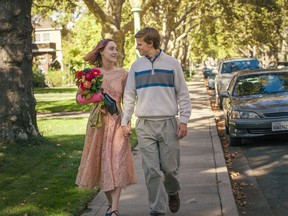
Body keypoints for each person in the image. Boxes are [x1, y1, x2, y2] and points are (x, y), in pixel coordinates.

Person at [121, 27, 192, 216]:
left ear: (150, 43)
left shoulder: (172, 64)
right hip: (144, 124)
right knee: (151, 170)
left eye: (139, 44)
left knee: (169, 168)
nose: (137, 48)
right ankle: (157, 210)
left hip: (168, 123)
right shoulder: (136, 66)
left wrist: (183, 121)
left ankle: (173, 191)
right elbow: (129, 96)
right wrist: (125, 121)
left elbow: (183, 94)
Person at [75, 39, 136, 216]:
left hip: (117, 122)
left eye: (116, 49)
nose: (115, 52)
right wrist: (96, 98)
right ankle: (111, 206)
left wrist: (127, 123)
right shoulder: (91, 74)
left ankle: (115, 209)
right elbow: (78, 98)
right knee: (103, 165)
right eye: (111, 49)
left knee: (116, 163)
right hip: (98, 124)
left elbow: (128, 101)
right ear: (101, 52)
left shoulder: (123, 74)